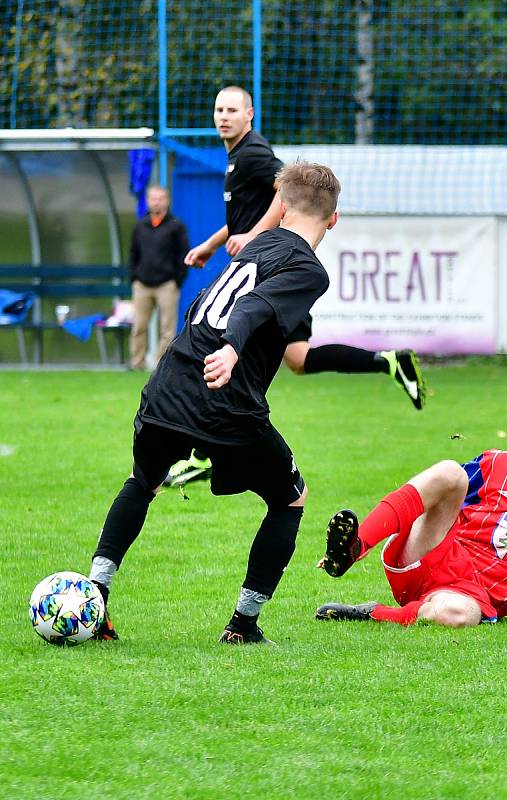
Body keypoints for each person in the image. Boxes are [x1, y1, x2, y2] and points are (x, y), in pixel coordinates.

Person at [87, 161, 341, 644]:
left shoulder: (255, 245)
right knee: (290, 499)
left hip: (167, 386)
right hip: (226, 400)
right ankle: (243, 624)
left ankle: (95, 599)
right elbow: (254, 307)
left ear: (282, 207)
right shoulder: (309, 269)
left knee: (143, 481)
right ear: (334, 219)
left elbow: (213, 301)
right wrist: (231, 346)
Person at [167, 85, 425, 488]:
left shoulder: (253, 153)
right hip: (268, 263)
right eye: (218, 109)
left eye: (232, 109)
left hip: (274, 270)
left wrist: (254, 234)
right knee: (298, 359)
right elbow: (246, 217)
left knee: (240, 343)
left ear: (249, 114)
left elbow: (287, 194)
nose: (223, 116)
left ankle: (204, 452)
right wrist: (211, 245)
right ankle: (387, 361)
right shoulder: (238, 157)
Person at [316, 392, 507, 627]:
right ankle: (355, 548)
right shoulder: (497, 464)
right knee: (450, 472)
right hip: (432, 555)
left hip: (472, 598)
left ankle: (374, 613)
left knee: (457, 616)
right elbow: (434, 494)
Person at [128, 185, 189, 370]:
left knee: (167, 329)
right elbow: (133, 254)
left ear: (167, 200)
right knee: (139, 326)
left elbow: (183, 255)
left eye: (160, 198)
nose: (157, 202)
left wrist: (177, 280)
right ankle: (136, 364)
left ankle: (160, 366)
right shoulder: (140, 226)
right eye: (153, 198)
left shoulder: (176, 226)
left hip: (166, 285)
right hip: (143, 285)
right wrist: (134, 278)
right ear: (147, 201)